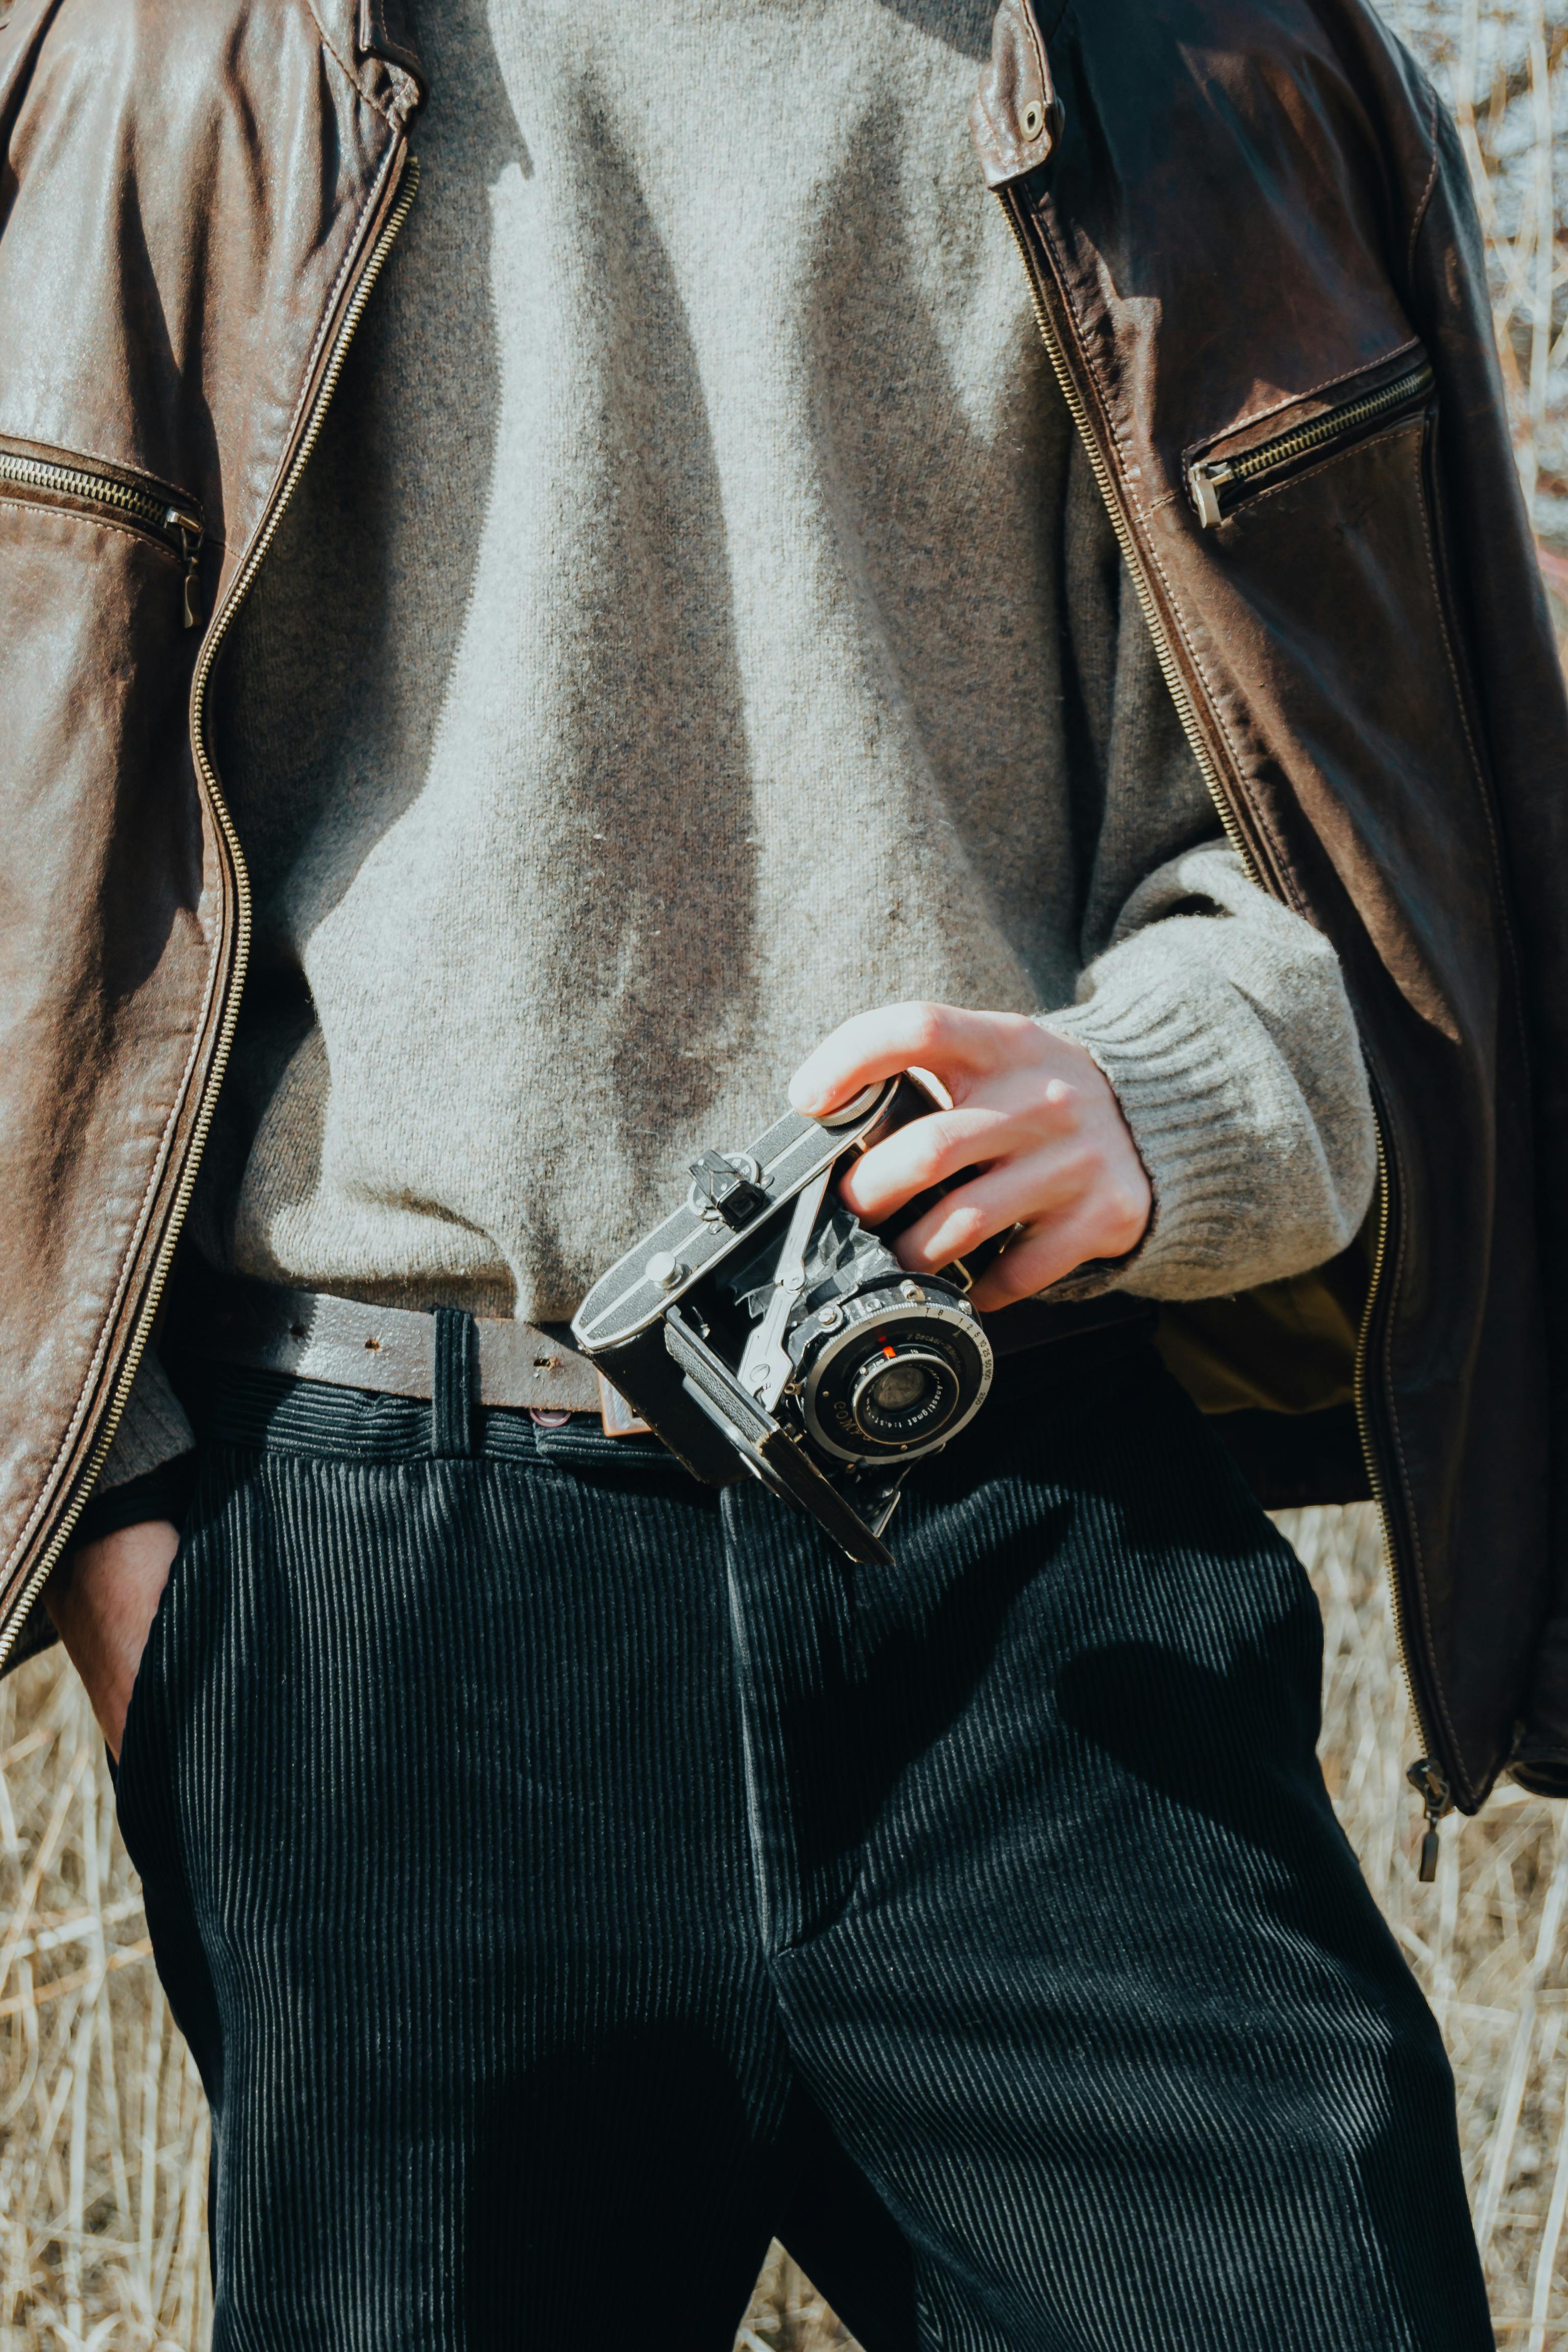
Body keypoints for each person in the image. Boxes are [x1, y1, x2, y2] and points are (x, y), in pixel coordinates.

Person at [2, 0, 1563, 2343]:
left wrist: (1165, 1097)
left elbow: (1372, 894)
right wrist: (140, 1546)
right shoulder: (155, 51)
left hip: (1043, 1552)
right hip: (379, 1594)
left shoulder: (1217, 67)